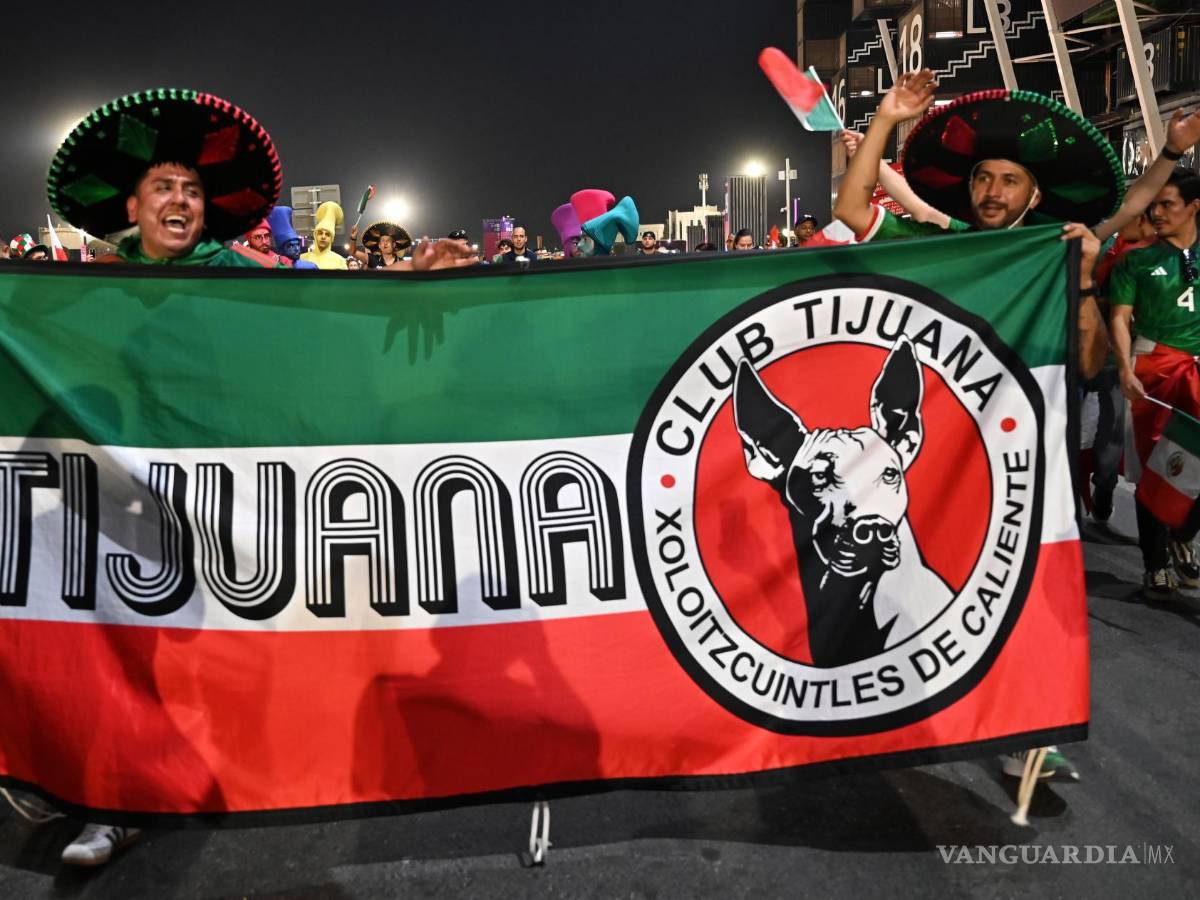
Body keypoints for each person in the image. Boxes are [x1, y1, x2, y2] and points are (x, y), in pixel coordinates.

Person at [832, 72, 1139, 785]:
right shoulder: (942, 249)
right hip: (946, 463)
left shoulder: (1055, 257)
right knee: (954, 589)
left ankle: (1029, 733)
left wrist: (1087, 279)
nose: (993, 193)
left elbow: (1089, 359)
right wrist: (885, 119)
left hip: (1033, 462)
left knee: (1032, 591)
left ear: (1034, 195)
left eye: (1009, 181)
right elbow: (852, 208)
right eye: (982, 180)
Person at [47, 88, 286, 268]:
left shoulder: (253, 277)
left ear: (204, 214)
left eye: (193, 192)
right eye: (163, 188)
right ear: (133, 208)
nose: (179, 199)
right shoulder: (98, 282)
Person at [1109, 171, 1200, 600]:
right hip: (1152, 369)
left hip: (1197, 369)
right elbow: (1119, 318)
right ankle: (1155, 565)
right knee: (1154, 465)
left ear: (1194, 206)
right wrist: (1126, 370)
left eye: (1168, 204)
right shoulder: (1135, 260)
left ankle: (1183, 529)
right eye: (1154, 206)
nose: (1157, 213)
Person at [300, 202, 348, 270]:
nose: (323, 237)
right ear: (315, 235)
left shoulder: (340, 261)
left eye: (327, 234)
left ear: (332, 238)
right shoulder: (302, 259)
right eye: (320, 233)